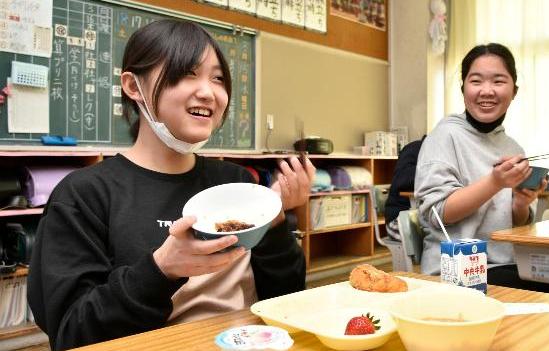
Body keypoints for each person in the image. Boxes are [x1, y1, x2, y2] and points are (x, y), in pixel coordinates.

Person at [27, 20, 314, 350]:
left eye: (218, 78)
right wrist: (161, 269)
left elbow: (285, 297)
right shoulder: (84, 195)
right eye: (186, 73)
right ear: (133, 87)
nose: (208, 92)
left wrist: (273, 224)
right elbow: (72, 333)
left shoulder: (236, 182)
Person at [414, 43, 549, 292]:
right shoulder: (445, 136)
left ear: (514, 91)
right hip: (453, 271)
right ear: (463, 89)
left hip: (503, 265)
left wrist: (521, 203)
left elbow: (514, 224)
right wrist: (495, 182)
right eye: (476, 81)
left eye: (498, 81)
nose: (486, 91)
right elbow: (437, 213)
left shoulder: (512, 146)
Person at [383, 136, 424, 241]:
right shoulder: (414, 148)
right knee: (433, 240)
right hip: (399, 219)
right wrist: (432, 168)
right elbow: (402, 179)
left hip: (421, 218)